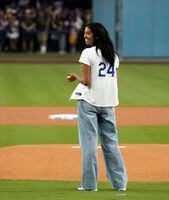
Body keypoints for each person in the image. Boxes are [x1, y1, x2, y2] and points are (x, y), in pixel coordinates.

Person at [67, 22, 128, 192]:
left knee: (89, 145)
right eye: (85, 33)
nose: (85, 36)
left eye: (88, 34)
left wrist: (74, 77)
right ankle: (120, 184)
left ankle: (89, 185)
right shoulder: (113, 56)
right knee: (111, 144)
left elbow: (87, 81)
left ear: (97, 36)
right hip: (108, 104)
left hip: (89, 103)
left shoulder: (87, 53)